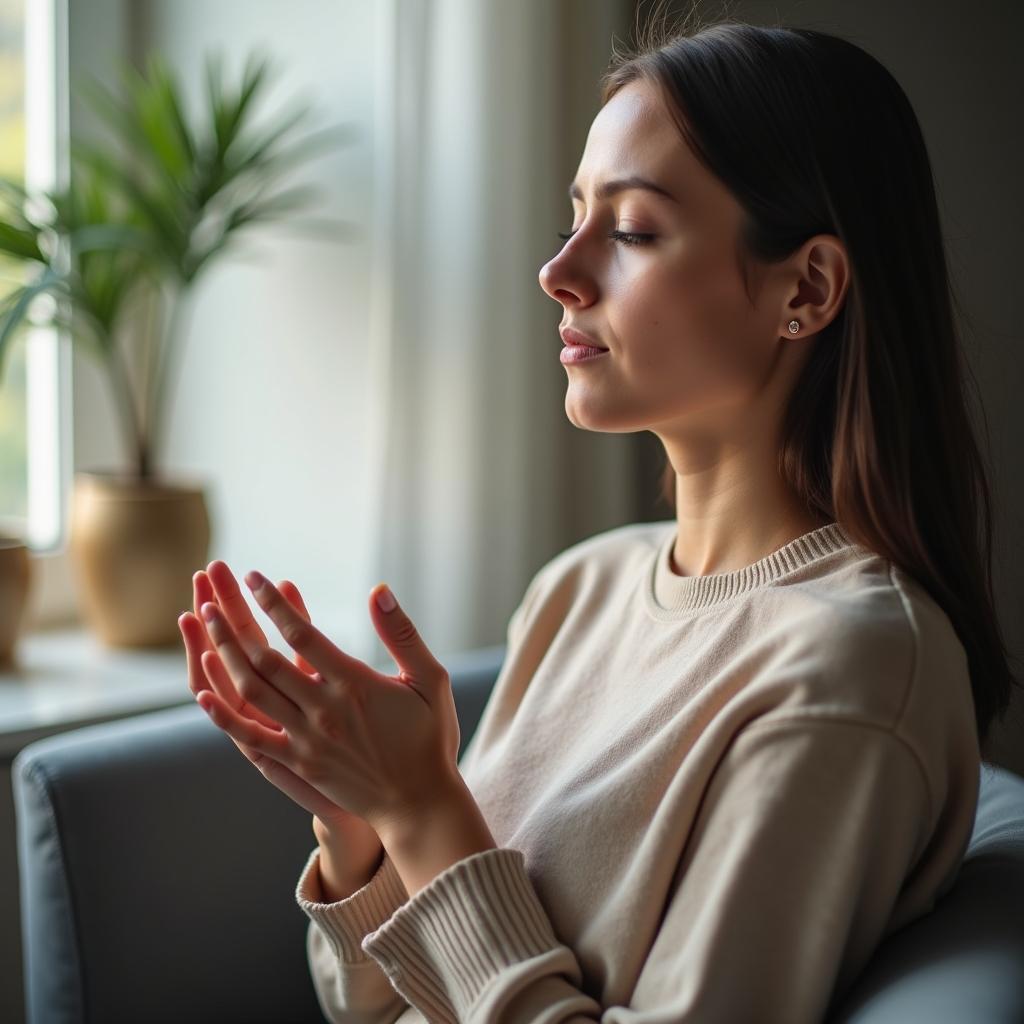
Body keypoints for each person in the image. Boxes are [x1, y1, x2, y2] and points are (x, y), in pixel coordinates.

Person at [179, 13, 1018, 1024]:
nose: (558, 272)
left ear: (806, 287)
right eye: (572, 220)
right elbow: (367, 1003)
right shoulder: (580, 588)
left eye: (631, 231)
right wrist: (364, 822)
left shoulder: (848, 668)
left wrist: (423, 806)